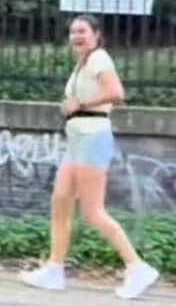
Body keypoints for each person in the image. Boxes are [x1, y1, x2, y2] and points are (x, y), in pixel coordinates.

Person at [19, 15, 159, 299]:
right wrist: (71, 107)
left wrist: (79, 104)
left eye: (82, 31)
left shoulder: (99, 59)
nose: (76, 36)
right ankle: (54, 270)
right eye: (72, 32)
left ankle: (137, 267)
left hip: (93, 138)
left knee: (92, 211)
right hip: (78, 139)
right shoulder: (83, 64)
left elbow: (116, 93)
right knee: (60, 201)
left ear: (96, 34)